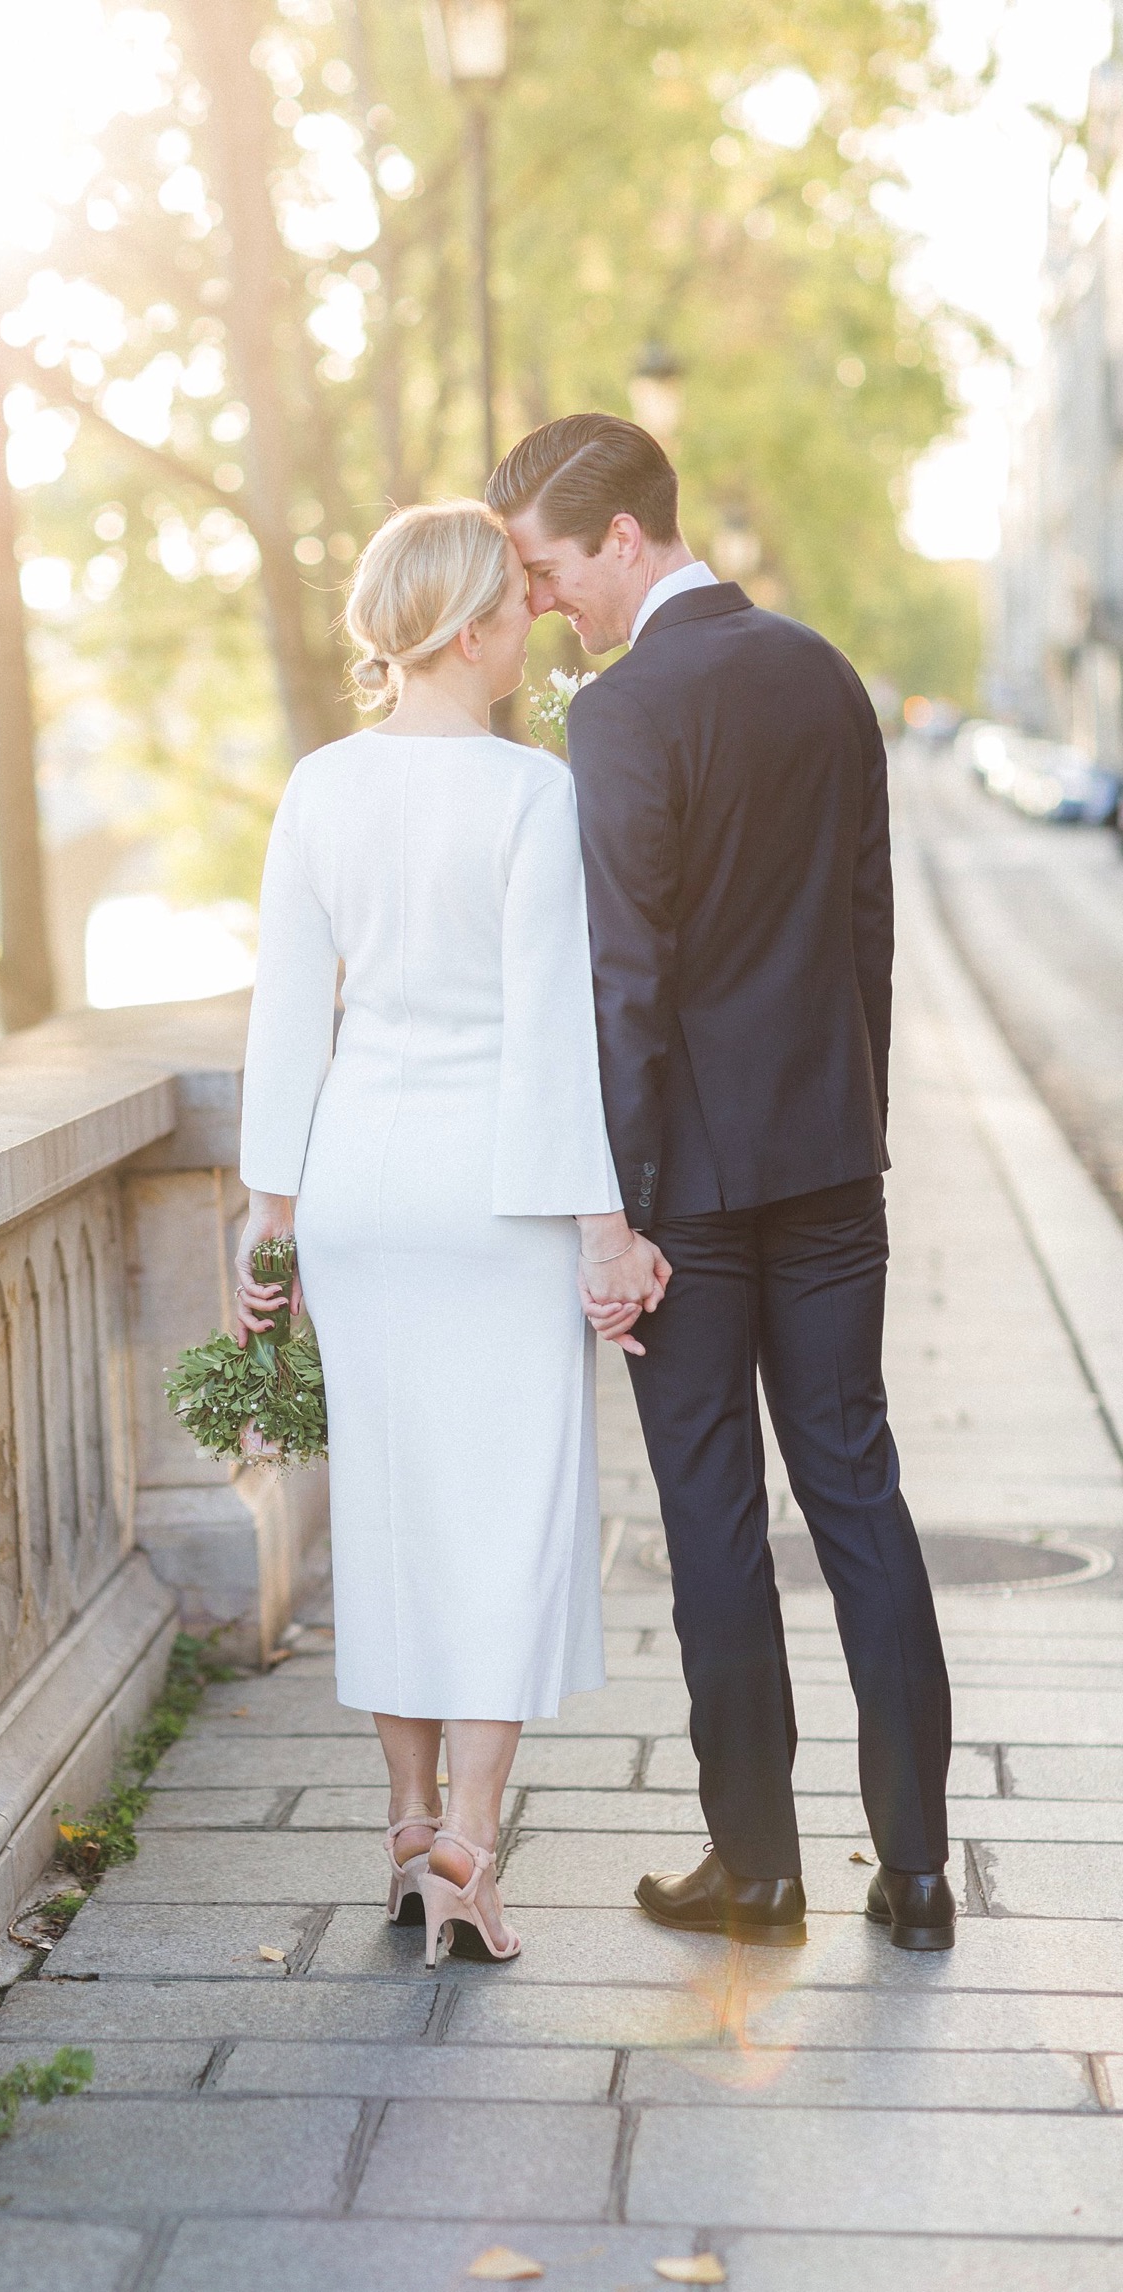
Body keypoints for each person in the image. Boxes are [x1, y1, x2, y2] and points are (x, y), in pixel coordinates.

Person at [488, 414, 956, 1953]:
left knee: (714, 1522)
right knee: (861, 1499)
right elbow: (867, 930)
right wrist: (854, 1120)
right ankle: (920, 1871)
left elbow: (628, 982)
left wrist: (612, 1215)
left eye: (553, 569)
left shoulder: (624, 717)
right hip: (829, 1167)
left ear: (623, 535)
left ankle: (756, 1873)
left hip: (687, 1193)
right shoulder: (825, 676)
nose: (551, 602)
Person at [235, 500, 668, 1967]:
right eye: (520, 611)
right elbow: (555, 1038)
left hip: (358, 1183)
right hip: (497, 1198)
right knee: (511, 1513)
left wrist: (267, 1218)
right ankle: (472, 1846)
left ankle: (409, 1815)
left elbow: (288, 1017)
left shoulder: (319, 786)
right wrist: (606, 1231)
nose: (534, 630)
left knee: (395, 1507)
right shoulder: (529, 795)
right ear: (475, 628)